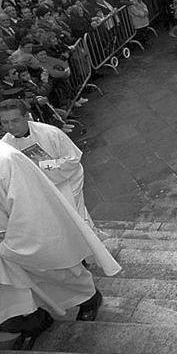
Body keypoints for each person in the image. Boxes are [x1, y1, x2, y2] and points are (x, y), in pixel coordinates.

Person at [0, 142, 120, 349]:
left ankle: (89, 298)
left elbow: (29, 208)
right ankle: (34, 321)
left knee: (54, 272)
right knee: (14, 290)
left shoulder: (7, 160)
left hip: (20, 234)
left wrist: (9, 242)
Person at [0, 100, 93, 227]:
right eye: (5, 122)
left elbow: (73, 159)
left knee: (76, 221)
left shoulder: (50, 133)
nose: (10, 127)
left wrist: (42, 166)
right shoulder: (5, 146)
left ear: (26, 116)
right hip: (38, 191)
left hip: (65, 185)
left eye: (15, 121)